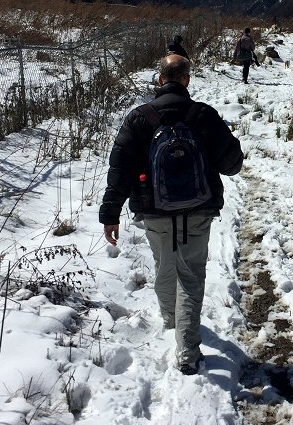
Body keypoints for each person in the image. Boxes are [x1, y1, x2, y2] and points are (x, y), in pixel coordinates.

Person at [100, 54, 243, 374]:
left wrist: (110, 212)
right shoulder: (203, 115)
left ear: (159, 80)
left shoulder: (139, 118)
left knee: (165, 265)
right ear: (187, 80)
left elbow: (120, 169)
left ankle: (171, 321)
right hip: (198, 210)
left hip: (154, 211)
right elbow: (233, 165)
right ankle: (188, 352)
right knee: (190, 276)